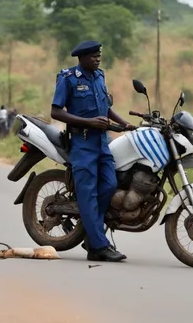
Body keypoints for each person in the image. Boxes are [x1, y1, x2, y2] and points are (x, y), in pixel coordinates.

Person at [50, 40, 136, 262]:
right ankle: (99, 246)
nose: (98, 58)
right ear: (81, 58)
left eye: (99, 55)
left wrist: (123, 123)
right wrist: (87, 122)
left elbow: (105, 107)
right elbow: (56, 112)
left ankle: (92, 235)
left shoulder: (99, 77)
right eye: (93, 56)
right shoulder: (68, 78)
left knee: (109, 184)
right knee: (88, 195)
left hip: (102, 142)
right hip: (82, 142)